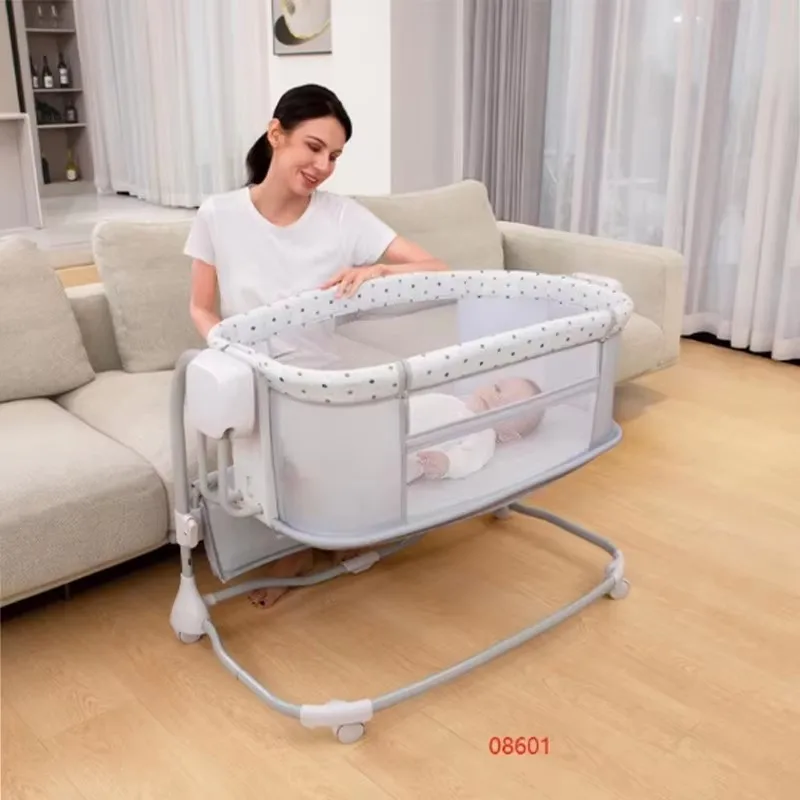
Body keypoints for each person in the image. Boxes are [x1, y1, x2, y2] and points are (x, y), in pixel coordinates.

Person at [184, 83, 448, 608]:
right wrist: (226, 348)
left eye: (335, 156)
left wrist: (378, 270)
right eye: (314, 147)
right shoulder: (218, 215)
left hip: (319, 373)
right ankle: (302, 546)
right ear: (276, 134)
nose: (323, 166)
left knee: (353, 436)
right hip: (250, 370)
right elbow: (200, 307)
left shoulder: (342, 216)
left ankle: (322, 536)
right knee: (291, 439)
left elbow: (437, 269)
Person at [408, 377, 545, 482]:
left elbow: (470, 458)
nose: (494, 398)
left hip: (406, 450)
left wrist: (448, 463)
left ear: (507, 435)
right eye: (497, 389)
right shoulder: (457, 401)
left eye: (506, 406)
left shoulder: (484, 433)